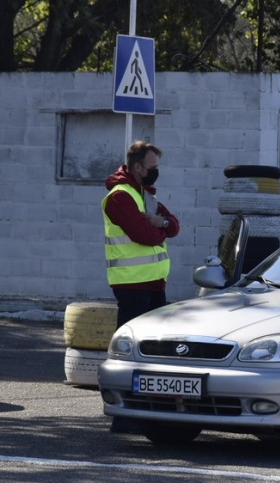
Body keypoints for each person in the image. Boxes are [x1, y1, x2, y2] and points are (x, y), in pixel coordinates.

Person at [102, 140, 179, 433]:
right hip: (132, 285)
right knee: (130, 351)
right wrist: (161, 229)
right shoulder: (119, 197)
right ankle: (125, 414)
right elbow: (143, 235)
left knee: (154, 350)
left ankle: (148, 410)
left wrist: (161, 222)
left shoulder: (143, 193)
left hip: (154, 285)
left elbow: (173, 224)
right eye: (152, 168)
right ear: (136, 167)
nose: (156, 172)